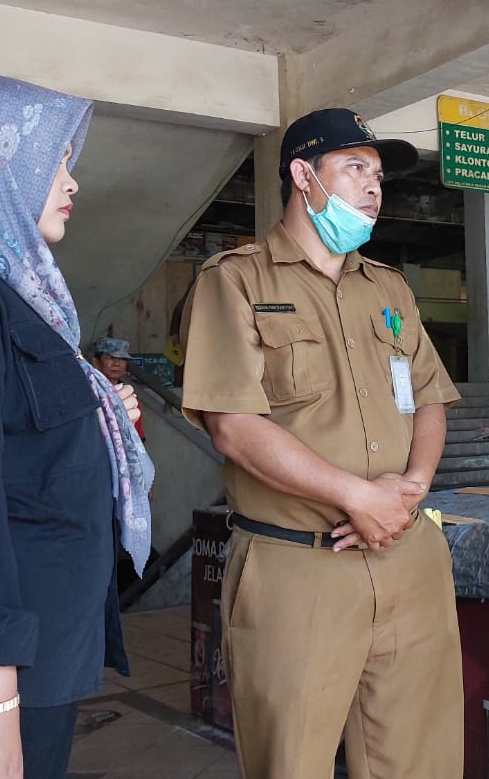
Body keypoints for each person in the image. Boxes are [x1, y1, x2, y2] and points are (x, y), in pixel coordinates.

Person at [179, 107, 463, 778]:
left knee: (419, 758)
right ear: (302, 176)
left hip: (407, 552)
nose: (374, 187)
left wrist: (410, 490)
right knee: (293, 758)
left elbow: (430, 398)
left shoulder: (388, 288)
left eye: (379, 174)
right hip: (297, 564)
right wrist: (354, 495)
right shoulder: (236, 280)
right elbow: (235, 425)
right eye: (354, 168)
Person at [0, 74, 153, 779]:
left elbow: (18, 440)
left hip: (35, 655)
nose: (71, 182)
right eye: (55, 157)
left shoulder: (10, 284)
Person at [90, 336, 144, 438]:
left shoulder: (130, 397)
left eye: (122, 359)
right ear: (96, 362)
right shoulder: (88, 392)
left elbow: (138, 438)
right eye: (111, 358)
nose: (117, 363)